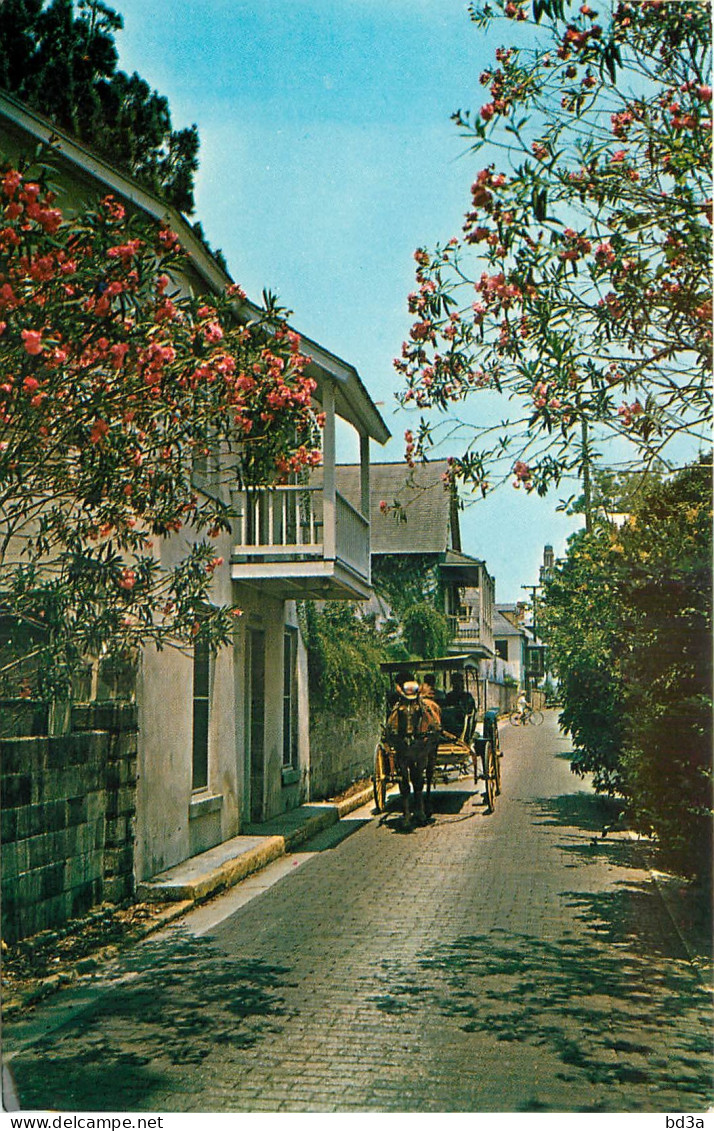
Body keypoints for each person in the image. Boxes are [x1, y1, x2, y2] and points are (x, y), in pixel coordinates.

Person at [442, 672, 476, 740]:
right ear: (452, 683)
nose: (458, 684)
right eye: (455, 682)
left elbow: (470, 712)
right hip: (447, 725)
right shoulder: (449, 696)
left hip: (461, 724)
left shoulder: (467, 697)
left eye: (460, 681)